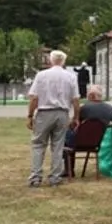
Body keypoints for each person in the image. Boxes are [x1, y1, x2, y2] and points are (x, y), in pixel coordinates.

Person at [26, 49, 81, 187]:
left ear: (51, 60)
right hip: (62, 113)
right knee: (58, 146)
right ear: (64, 61)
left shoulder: (41, 75)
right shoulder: (71, 77)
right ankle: (55, 177)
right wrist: (76, 117)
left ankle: (36, 177)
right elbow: (75, 99)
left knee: (38, 144)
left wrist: (30, 115)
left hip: (44, 112)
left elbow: (34, 97)